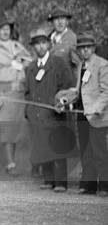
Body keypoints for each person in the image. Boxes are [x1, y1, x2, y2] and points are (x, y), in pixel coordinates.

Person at [24, 27, 75, 192]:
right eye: (36, 44)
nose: (40, 47)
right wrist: (29, 111)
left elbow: (68, 86)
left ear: (48, 44)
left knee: (57, 146)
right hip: (38, 115)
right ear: (33, 47)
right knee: (42, 146)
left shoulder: (58, 63)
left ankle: (60, 183)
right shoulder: (31, 68)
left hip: (55, 113)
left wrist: (61, 103)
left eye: (43, 43)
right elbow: (27, 93)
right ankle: (48, 180)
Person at [0, 18, 32, 176]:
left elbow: (30, 61)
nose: (5, 32)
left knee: (16, 128)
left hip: (19, 92)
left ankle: (12, 161)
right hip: (3, 92)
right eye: (2, 29)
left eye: (8, 29)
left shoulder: (17, 46)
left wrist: (21, 63)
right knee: (6, 127)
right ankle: (10, 164)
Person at [73, 32, 108, 197]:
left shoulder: (102, 64)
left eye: (88, 48)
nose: (85, 51)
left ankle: (104, 186)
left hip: (98, 117)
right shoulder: (81, 65)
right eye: (82, 48)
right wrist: (67, 102)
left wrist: (96, 109)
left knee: (99, 151)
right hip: (83, 115)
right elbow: (79, 90)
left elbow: (106, 92)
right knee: (86, 151)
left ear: (93, 48)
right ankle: (88, 185)